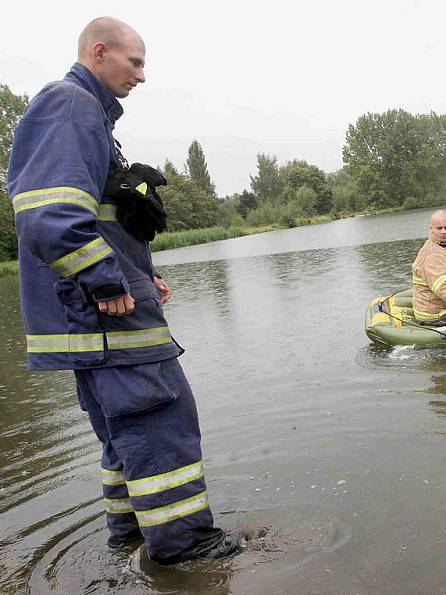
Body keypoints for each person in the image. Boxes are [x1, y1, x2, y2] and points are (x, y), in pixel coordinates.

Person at [7, 17, 242, 564]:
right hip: (105, 314)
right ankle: (185, 547)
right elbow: (49, 217)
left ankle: (130, 534)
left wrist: (140, 268)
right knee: (160, 416)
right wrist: (106, 279)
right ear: (99, 51)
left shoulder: (87, 117)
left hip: (98, 312)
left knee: (122, 429)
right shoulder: (69, 105)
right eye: (134, 62)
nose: (141, 75)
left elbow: (99, 219)